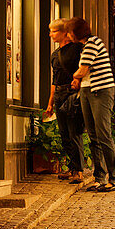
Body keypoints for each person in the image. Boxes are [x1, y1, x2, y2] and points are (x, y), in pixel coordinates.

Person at [67, 17, 115, 192]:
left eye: (70, 31)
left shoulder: (93, 42)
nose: (68, 34)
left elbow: (83, 70)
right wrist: (78, 79)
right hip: (87, 90)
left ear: (76, 32)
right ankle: (99, 178)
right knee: (93, 136)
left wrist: (75, 77)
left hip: (100, 91)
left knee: (103, 134)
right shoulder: (85, 46)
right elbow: (85, 71)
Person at [43, 19, 85, 183]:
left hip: (71, 93)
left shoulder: (76, 49)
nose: (51, 34)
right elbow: (55, 80)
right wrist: (50, 102)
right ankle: (72, 167)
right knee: (64, 134)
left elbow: (85, 69)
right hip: (59, 93)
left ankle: (79, 170)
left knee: (74, 132)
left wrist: (79, 83)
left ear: (63, 33)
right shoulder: (55, 55)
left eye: (53, 31)